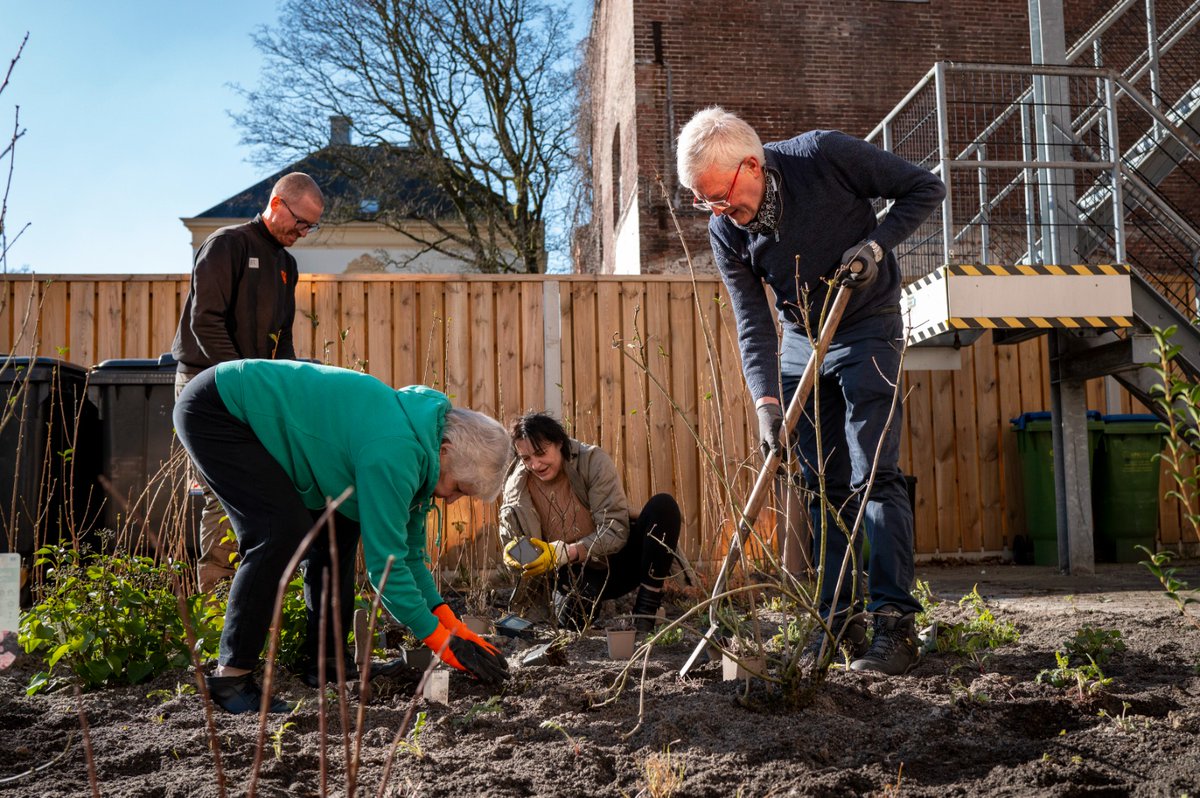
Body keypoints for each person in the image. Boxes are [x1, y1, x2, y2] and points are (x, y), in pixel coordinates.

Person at [676, 107, 945, 676]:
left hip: (866, 324)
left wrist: (875, 247)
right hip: (802, 340)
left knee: (873, 475)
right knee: (821, 485)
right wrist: (766, 404)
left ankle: (894, 625)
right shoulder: (726, 230)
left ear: (752, 166)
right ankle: (836, 621)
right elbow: (753, 321)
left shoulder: (823, 155)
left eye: (720, 197)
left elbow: (925, 188)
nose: (719, 212)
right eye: (705, 202)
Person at [173, 359, 512, 713]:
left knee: (338, 531)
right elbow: (387, 571)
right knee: (278, 533)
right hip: (220, 408)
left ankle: (328, 665)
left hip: (243, 412)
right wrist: (441, 642)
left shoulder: (421, 445)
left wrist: (452, 625)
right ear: (446, 451)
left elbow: (409, 557)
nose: (452, 500)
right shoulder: (395, 451)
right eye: (458, 488)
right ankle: (232, 678)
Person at [172, 172, 325, 593]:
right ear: (276, 204)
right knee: (222, 490)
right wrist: (242, 382)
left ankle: (256, 592)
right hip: (206, 383)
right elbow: (206, 322)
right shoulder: (227, 244)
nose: (303, 232)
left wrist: (287, 388)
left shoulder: (286, 265)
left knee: (268, 487)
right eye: (300, 222)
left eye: (311, 227)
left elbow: (283, 338)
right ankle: (216, 598)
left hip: (254, 390)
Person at [498, 412, 681, 633]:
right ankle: (574, 614)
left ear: (559, 443)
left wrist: (566, 551)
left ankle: (646, 613)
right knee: (572, 626)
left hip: (617, 561)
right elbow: (518, 550)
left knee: (663, 507)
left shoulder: (593, 461)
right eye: (526, 458)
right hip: (572, 574)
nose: (535, 465)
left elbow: (615, 530)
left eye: (541, 453)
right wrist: (516, 557)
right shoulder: (516, 487)